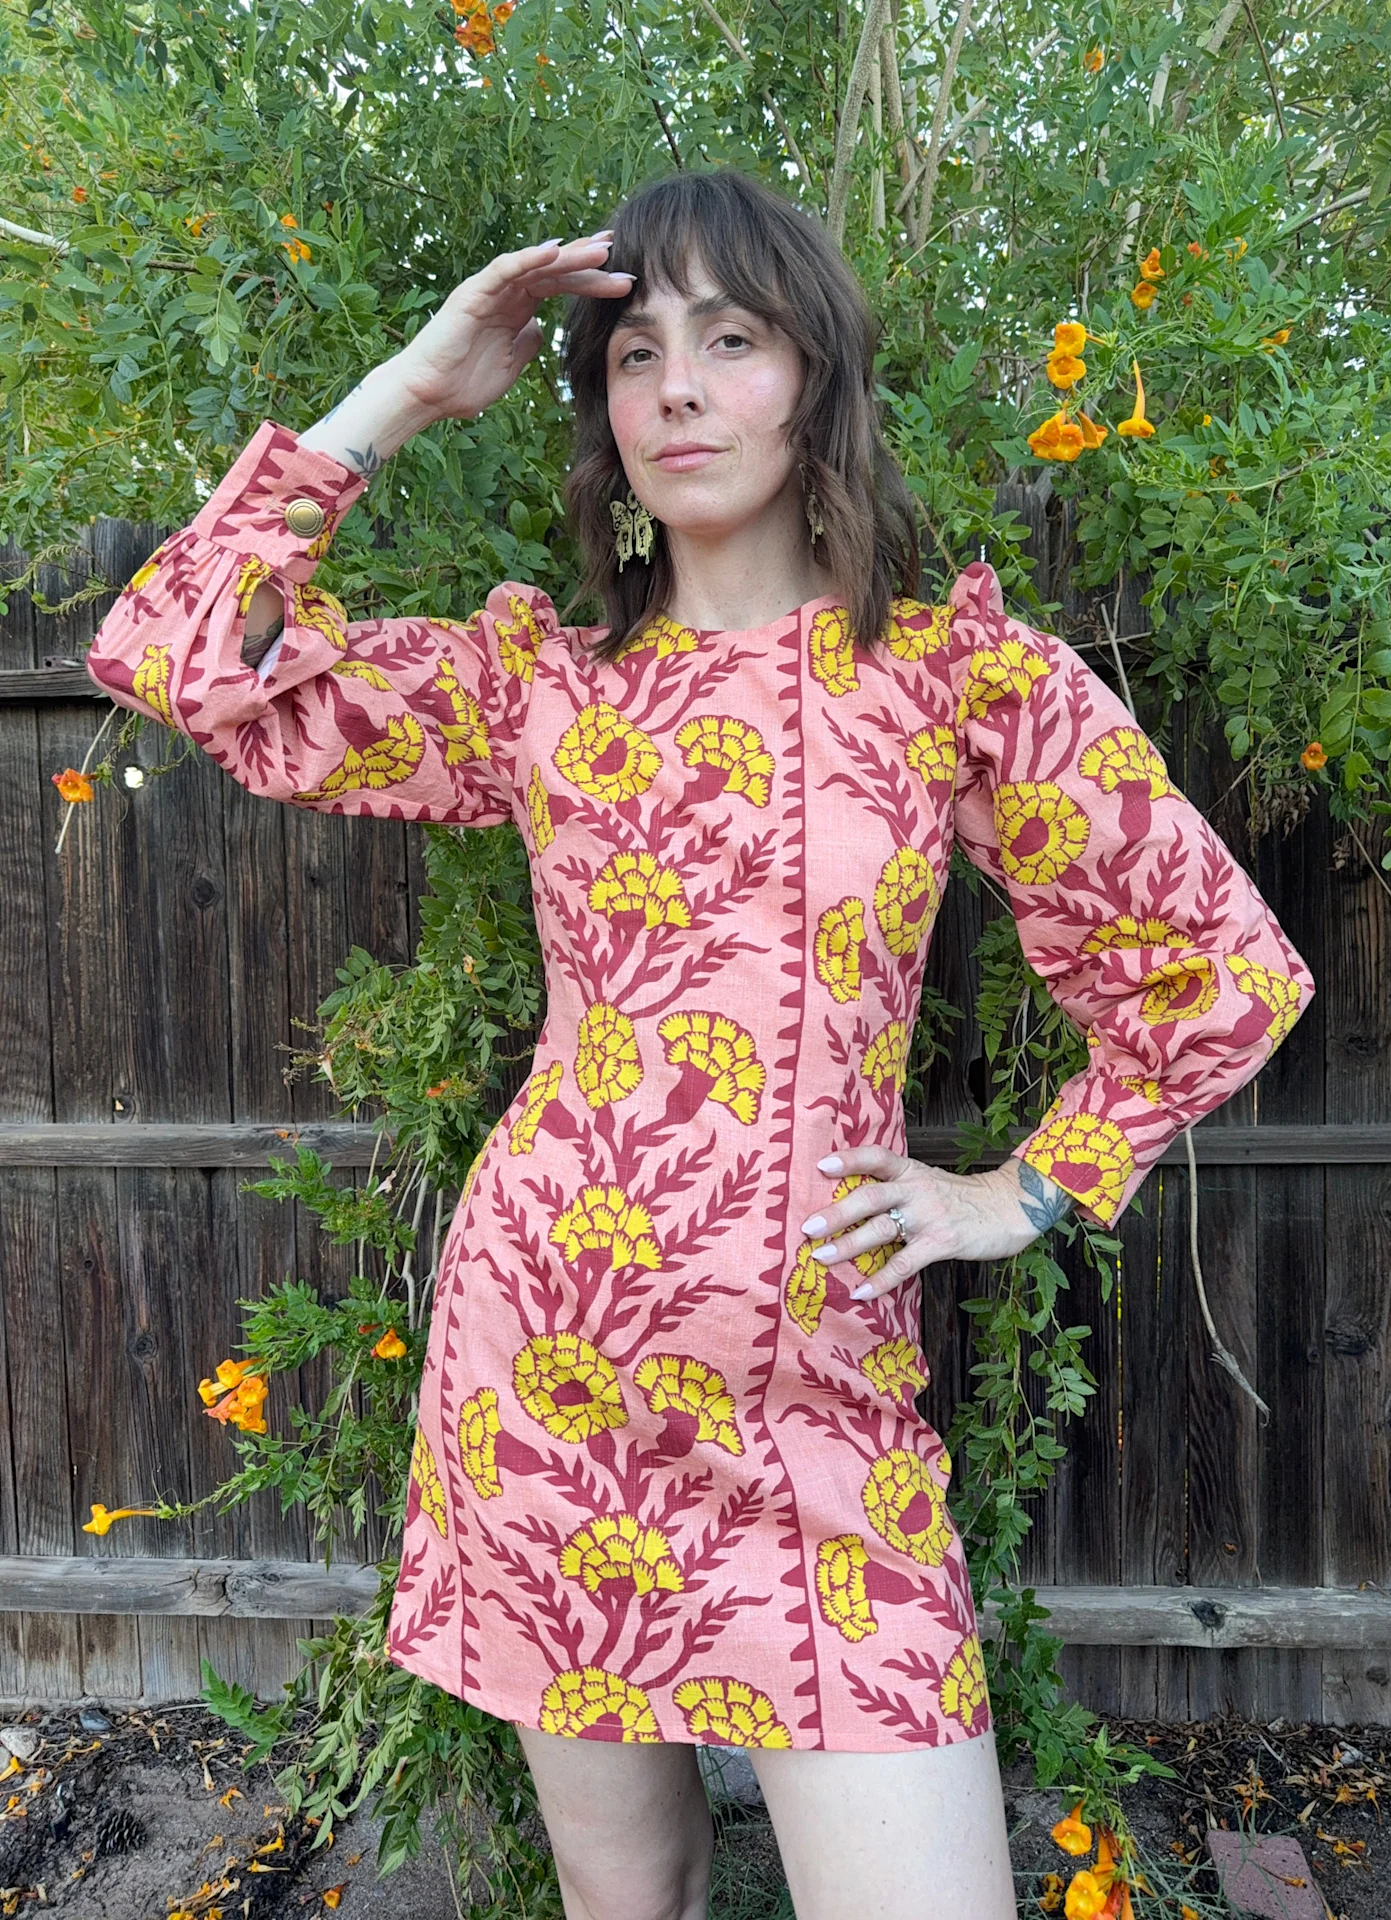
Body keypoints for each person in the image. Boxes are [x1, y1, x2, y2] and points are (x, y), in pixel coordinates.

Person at [86, 168, 1314, 1920]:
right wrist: (418, 386)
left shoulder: (956, 678)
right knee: (626, 1904)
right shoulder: (542, 684)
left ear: (816, 375)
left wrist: (1023, 1196)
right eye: (633, 351)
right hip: (548, 1392)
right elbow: (190, 660)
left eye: (729, 341)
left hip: (826, 1419)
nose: (673, 387)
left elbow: (1211, 968)